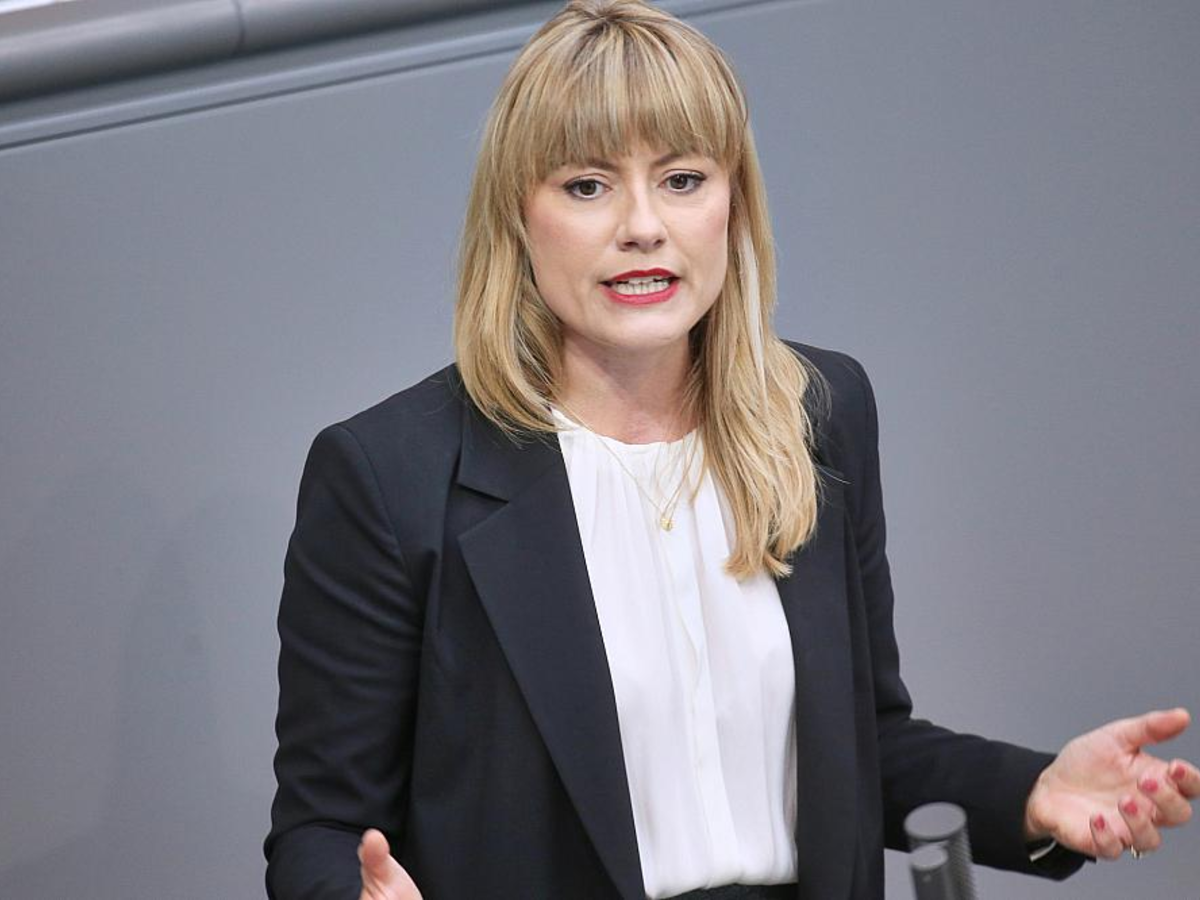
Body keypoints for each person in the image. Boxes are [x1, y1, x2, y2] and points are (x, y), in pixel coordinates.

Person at [263, 2, 1197, 898]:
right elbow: (322, 831)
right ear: (518, 214)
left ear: (733, 203)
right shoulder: (391, 475)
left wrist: (1033, 792)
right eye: (587, 186)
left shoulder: (819, 414)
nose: (643, 226)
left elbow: (859, 743)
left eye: (682, 179)